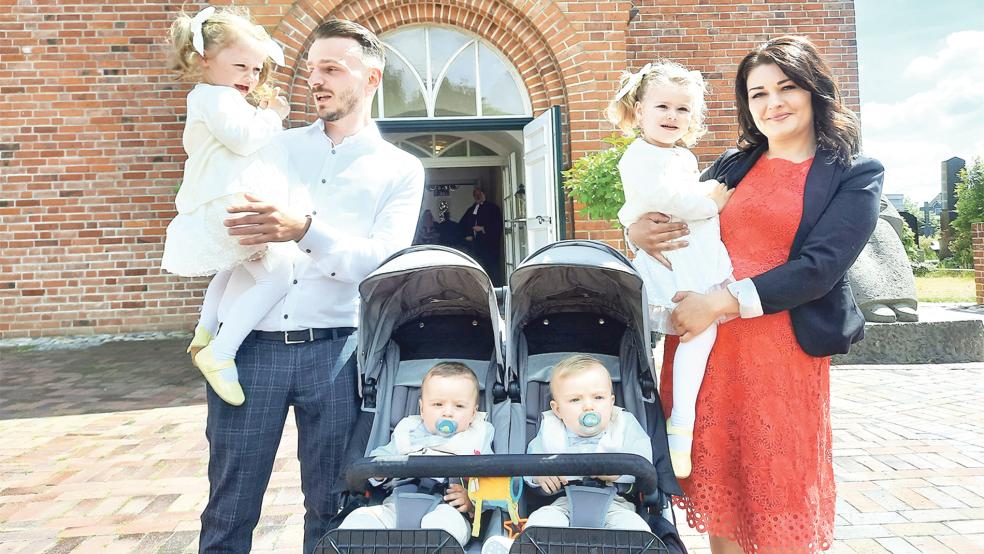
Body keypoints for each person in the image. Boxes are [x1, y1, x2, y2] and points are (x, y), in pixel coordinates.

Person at [627, 36, 883, 553]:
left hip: (779, 353)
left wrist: (719, 302)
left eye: (787, 88)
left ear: (814, 91)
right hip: (705, 350)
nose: (773, 103)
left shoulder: (853, 173)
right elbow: (668, 210)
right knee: (722, 493)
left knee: (776, 490)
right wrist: (635, 230)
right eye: (758, 93)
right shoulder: (732, 164)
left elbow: (820, 268)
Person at [197, 19, 425, 553]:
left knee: (333, 507)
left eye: (331, 69)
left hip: (337, 353)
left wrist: (305, 230)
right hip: (249, 350)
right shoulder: (270, 144)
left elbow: (382, 263)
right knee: (229, 508)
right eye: (311, 69)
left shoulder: (400, 169)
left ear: (371, 78)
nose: (315, 80)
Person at [608, 60, 734, 479]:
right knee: (695, 327)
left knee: (700, 330)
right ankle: (677, 421)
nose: (672, 116)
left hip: (690, 255)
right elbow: (664, 199)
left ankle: (681, 420)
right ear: (639, 110)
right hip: (673, 259)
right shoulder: (639, 155)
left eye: (683, 109)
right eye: (662, 106)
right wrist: (711, 201)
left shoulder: (681, 155)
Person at [161, 6, 293, 406]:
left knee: (233, 266)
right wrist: (272, 116)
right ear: (205, 60)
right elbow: (243, 139)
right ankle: (221, 352)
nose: (249, 77)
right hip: (230, 202)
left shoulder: (218, 97)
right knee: (278, 276)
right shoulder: (214, 97)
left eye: (255, 69)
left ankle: (205, 330)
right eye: (240, 66)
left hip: (226, 198)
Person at [483, 355, 651, 553]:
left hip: (615, 502)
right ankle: (521, 548)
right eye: (575, 400)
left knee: (634, 527)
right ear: (557, 410)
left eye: (598, 397)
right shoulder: (551, 431)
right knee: (542, 520)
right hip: (566, 502)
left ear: (611, 401)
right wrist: (539, 476)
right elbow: (530, 463)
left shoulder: (623, 424)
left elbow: (644, 462)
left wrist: (618, 473)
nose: (589, 406)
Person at [339, 362, 494, 546]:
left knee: (444, 527)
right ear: (422, 408)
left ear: (474, 413)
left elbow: (493, 481)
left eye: (459, 406)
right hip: (396, 504)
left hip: (447, 507)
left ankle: (432, 546)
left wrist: (471, 500)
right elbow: (379, 458)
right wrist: (379, 472)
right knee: (361, 519)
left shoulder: (476, 438)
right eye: (438, 404)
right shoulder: (408, 432)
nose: (448, 413)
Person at [459, 185, 503, 284]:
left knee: (491, 269)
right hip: (475, 246)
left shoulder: (493, 208)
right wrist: (468, 234)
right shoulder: (471, 209)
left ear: (484, 194)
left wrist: (483, 228)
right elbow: (463, 224)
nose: (477, 196)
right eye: (475, 195)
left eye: (479, 194)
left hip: (489, 245)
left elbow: (497, 225)